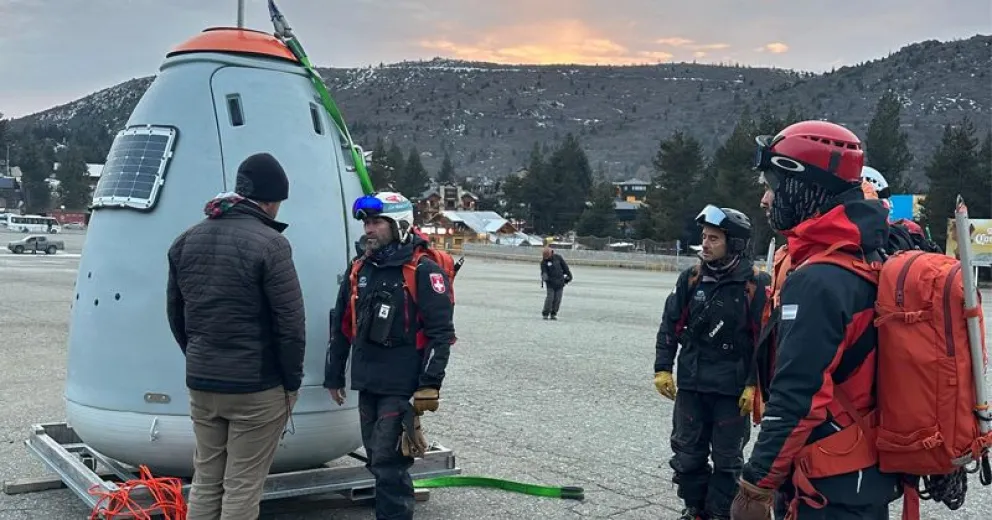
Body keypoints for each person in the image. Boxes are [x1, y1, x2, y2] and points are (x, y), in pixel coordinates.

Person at [731, 120, 902, 519]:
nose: (765, 198)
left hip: (827, 485)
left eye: (773, 185)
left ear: (801, 185)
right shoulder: (872, 256)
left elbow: (799, 397)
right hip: (863, 474)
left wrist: (756, 484)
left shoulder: (819, 279)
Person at [166, 152, 306, 520]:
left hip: (202, 381)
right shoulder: (271, 245)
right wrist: (291, 383)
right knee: (243, 485)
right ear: (271, 200)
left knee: (207, 479)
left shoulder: (186, 240)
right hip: (255, 387)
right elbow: (290, 324)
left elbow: (176, 314)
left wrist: (198, 354)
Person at [324, 191, 456, 520]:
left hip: (401, 385)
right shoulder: (359, 269)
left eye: (376, 223)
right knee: (377, 460)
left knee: (389, 462)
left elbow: (441, 334)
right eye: (366, 223)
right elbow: (341, 324)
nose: (368, 229)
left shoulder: (423, 271)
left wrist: (429, 384)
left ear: (399, 224)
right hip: (367, 381)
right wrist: (334, 374)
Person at [653, 205, 770, 520]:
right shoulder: (691, 279)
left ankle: (719, 513)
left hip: (732, 392)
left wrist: (753, 384)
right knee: (687, 454)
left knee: (727, 460)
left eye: (713, 238)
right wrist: (662, 367)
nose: (704, 244)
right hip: (692, 385)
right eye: (704, 237)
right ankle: (695, 509)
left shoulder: (756, 285)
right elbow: (670, 324)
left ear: (733, 243)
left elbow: (764, 341)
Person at [539, 246, 572, 320]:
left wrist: (569, 276)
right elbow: (544, 271)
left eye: (547, 256)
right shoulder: (543, 262)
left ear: (551, 253)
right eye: (544, 256)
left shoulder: (558, 258)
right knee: (550, 299)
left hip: (560, 283)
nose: (546, 257)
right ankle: (545, 313)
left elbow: (565, 268)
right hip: (550, 284)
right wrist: (545, 277)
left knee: (557, 299)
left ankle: (553, 313)